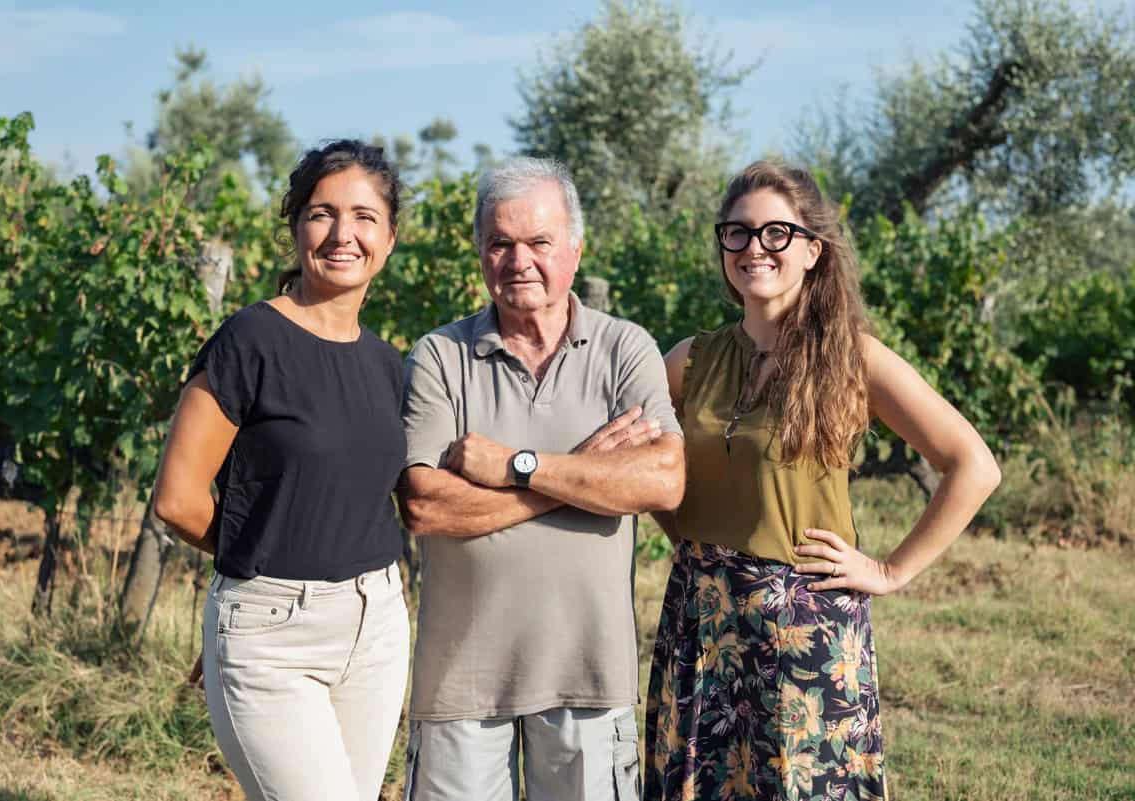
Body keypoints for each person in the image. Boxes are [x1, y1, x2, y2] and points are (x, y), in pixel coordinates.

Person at [644, 160, 1002, 801]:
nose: (755, 247)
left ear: (813, 249)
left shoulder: (849, 356)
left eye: (776, 233)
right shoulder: (690, 359)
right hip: (701, 620)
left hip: (804, 625)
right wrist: (686, 536)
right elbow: (643, 464)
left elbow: (972, 465)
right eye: (738, 232)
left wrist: (892, 572)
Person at [398, 156, 686, 801]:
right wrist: (584, 470)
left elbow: (663, 480)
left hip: (589, 674)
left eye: (538, 242)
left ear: (575, 252)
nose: (518, 260)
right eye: (500, 243)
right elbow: (424, 505)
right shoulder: (440, 357)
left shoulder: (624, 348)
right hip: (460, 681)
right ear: (480, 254)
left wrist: (515, 467)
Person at [152, 140, 410, 801]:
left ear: (390, 236)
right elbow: (178, 499)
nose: (342, 234)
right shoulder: (250, 341)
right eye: (322, 213)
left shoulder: (386, 364)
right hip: (273, 636)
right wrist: (256, 588)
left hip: (376, 624)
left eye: (363, 216)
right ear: (296, 226)